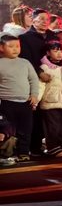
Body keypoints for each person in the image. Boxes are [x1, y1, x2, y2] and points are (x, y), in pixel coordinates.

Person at [18, 9, 55, 156]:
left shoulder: (53, 36)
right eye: (41, 19)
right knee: (37, 115)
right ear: (32, 20)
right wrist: (40, 73)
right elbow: (26, 59)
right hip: (36, 80)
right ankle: (35, 147)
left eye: (47, 19)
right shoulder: (25, 38)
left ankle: (55, 143)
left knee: (54, 113)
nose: (45, 21)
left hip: (54, 80)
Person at [0, 33, 39, 161]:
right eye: (11, 46)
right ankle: (10, 152)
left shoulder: (25, 62)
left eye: (17, 46)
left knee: (26, 129)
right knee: (10, 130)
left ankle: (23, 152)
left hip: (25, 102)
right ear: (1, 48)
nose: (15, 49)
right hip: (6, 102)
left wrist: (34, 95)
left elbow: (33, 79)